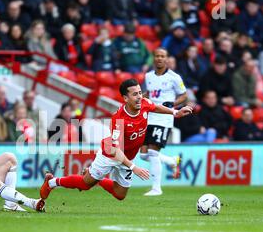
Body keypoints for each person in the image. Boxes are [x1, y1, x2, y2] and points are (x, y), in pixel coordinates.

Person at [39, 79, 192, 202]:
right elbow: (115, 150)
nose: (139, 97)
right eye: (134, 94)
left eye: (140, 92)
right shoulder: (119, 119)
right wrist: (134, 167)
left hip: (128, 157)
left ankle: (97, 178)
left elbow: (155, 107)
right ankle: (52, 182)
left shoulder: (144, 103)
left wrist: (175, 112)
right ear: (125, 98)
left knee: (120, 195)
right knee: (85, 185)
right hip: (110, 154)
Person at [139, 48, 189, 196]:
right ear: (154, 59)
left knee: (153, 152)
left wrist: (172, 104)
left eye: (162, 56)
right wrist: (142, 98)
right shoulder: (148, 76)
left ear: (167, 59)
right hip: (150, 117)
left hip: (164, 118)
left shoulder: (174, 77)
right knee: (143, 155)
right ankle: (172, 161)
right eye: (157, 56)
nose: (160, 58)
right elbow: (149, 93)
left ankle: (156, 188)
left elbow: (184, 95)